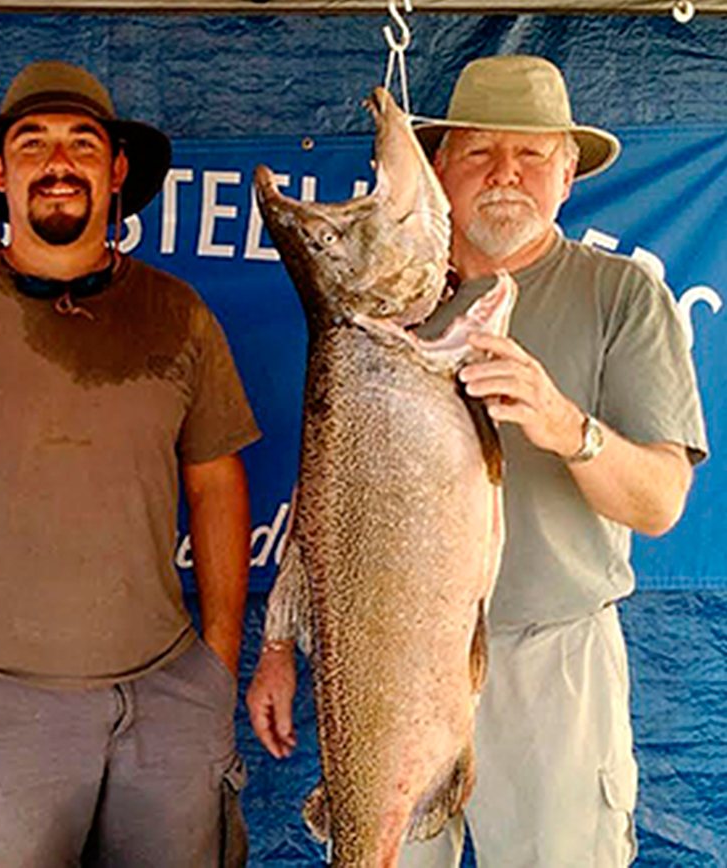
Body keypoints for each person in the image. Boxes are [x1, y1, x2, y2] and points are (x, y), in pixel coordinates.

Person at [247, 54, 707, 866]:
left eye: (532, 155)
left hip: (550, 661)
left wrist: (566, 425)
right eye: (479, 153)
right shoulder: (394, 304)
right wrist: (280, 644)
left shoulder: (625, 298)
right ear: (440, 169)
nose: (506, 175)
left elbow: (662, 502)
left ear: (567, 174)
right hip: (383, 656)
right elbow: (335, 486)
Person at [0, 60, 260, 866]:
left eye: (81, 142)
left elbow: (217, 483)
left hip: (169, 694)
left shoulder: (179, 315)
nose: (58, 162)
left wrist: (216, 661)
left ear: (115, 172)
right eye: (32, 143)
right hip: (4, 708)